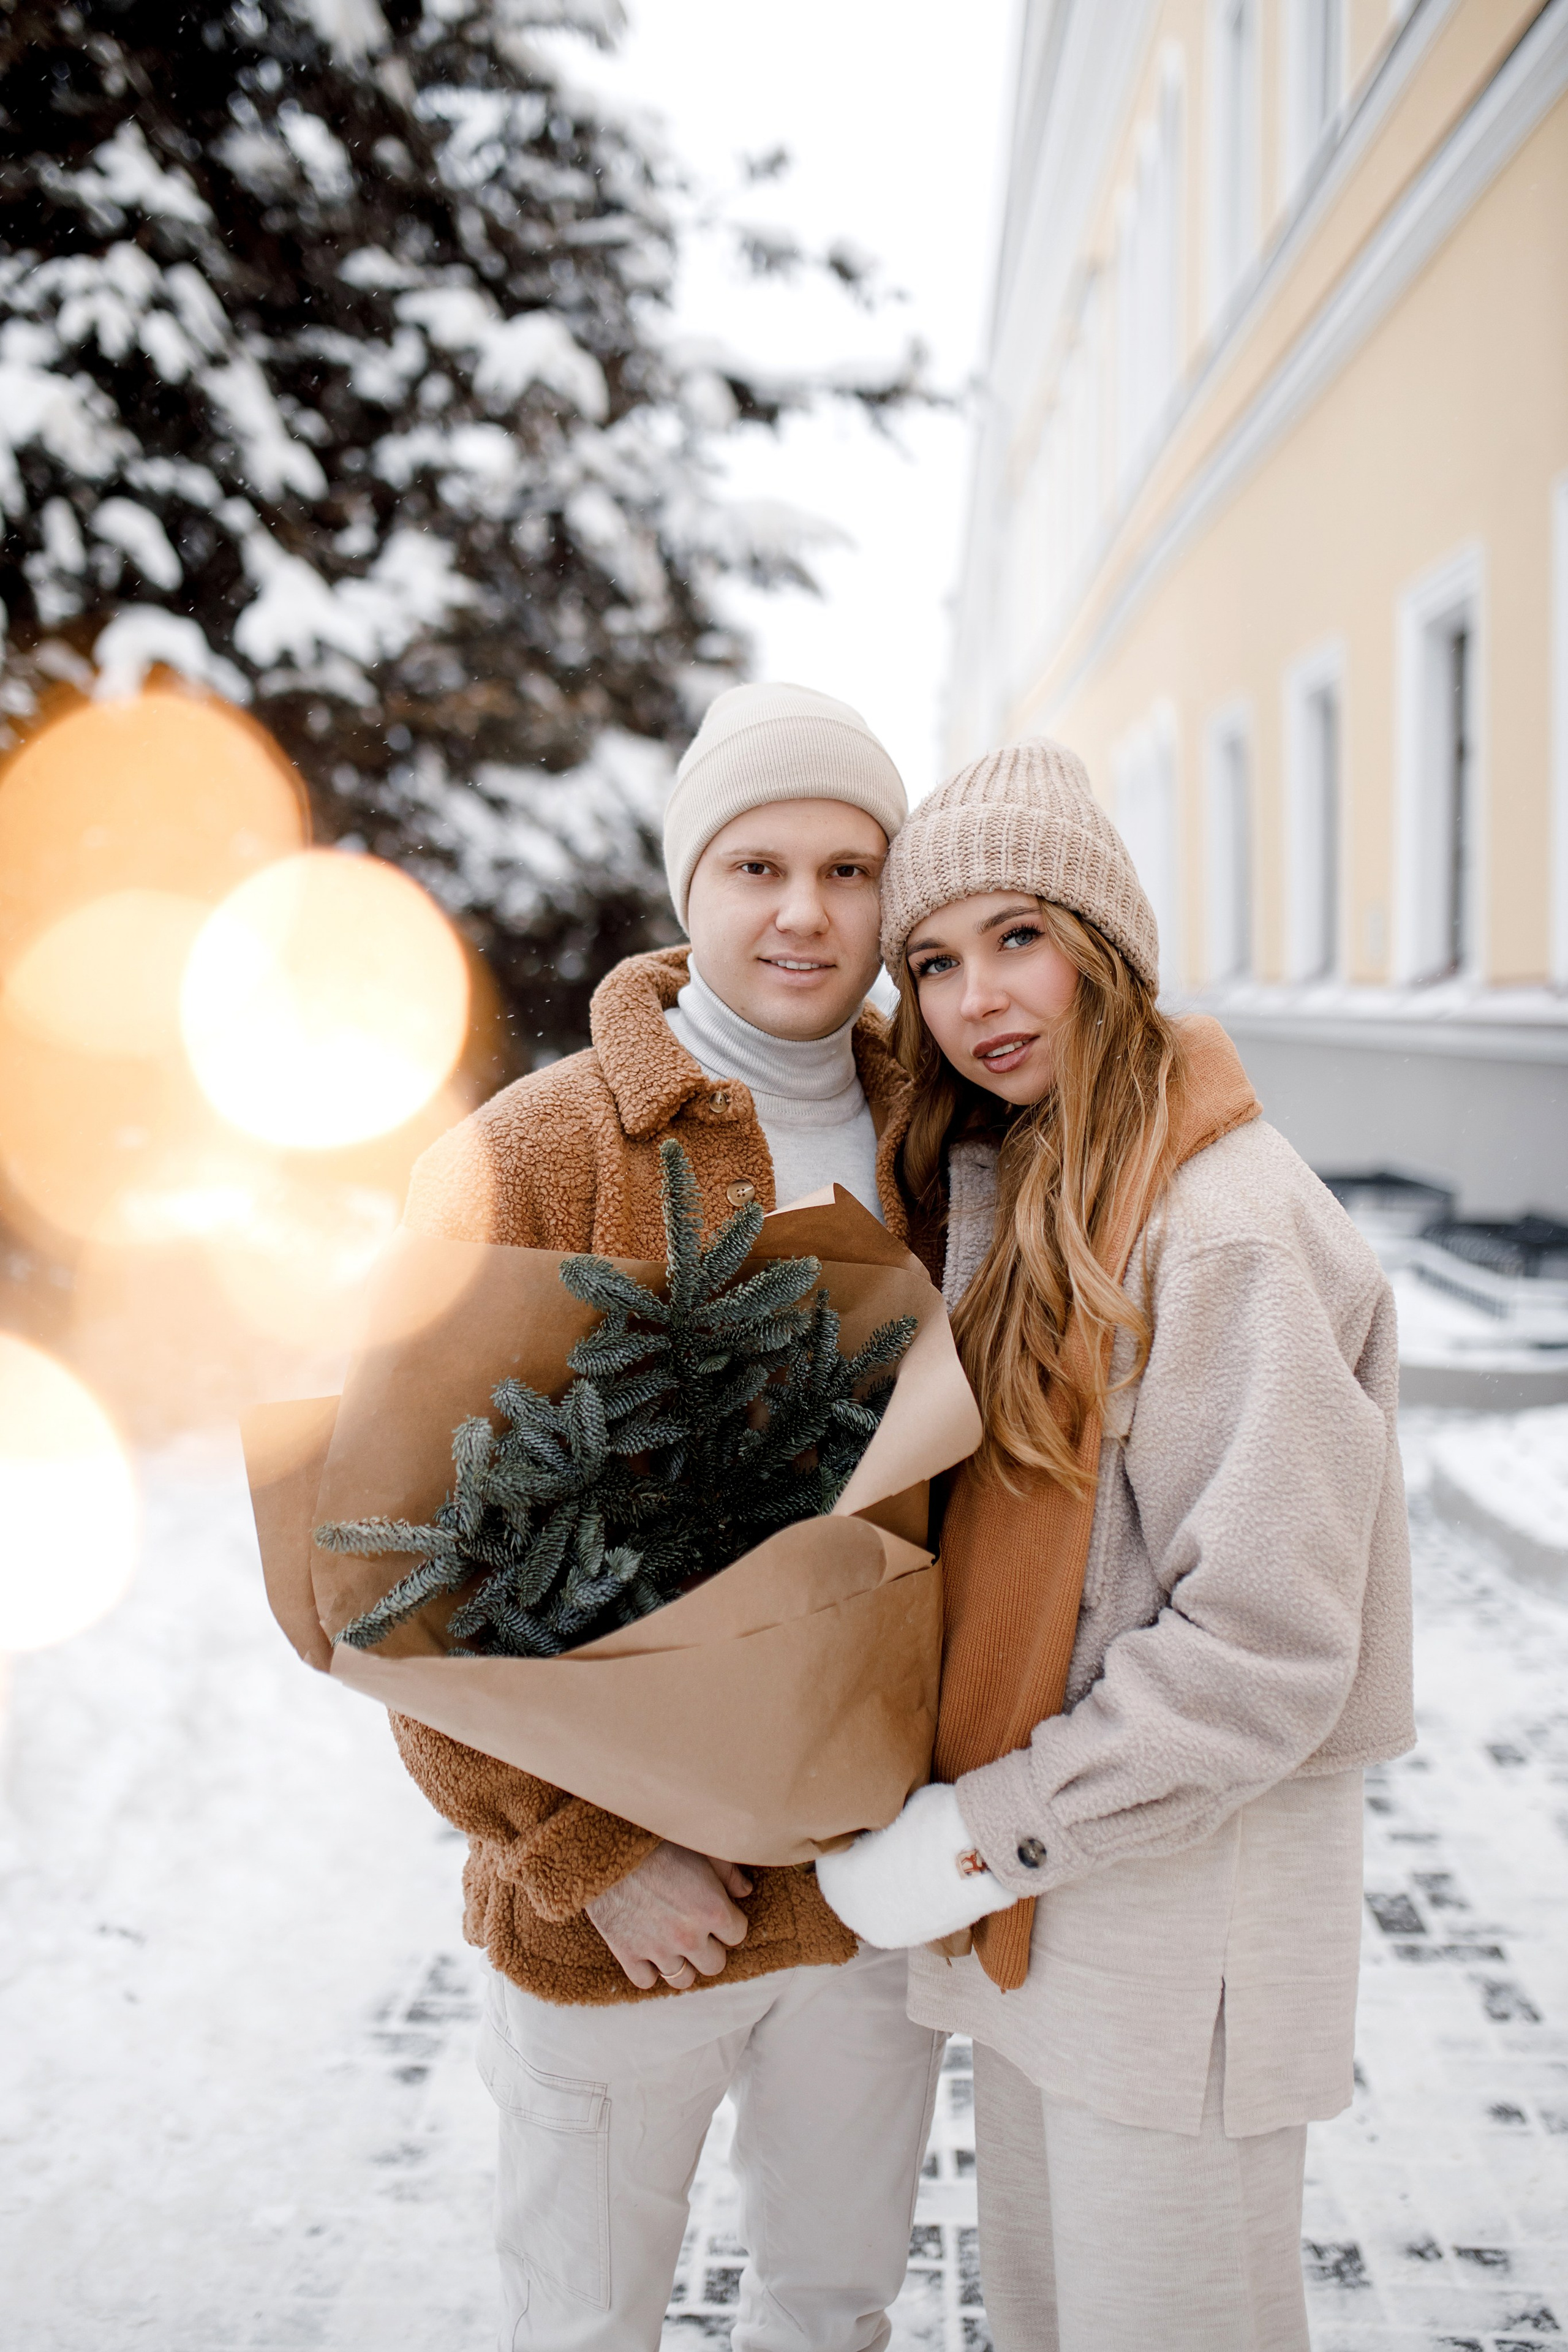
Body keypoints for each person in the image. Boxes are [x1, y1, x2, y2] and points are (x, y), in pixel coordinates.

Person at [818, 738, 1415, 2352]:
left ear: (1106, 946)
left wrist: (981, 1835)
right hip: (1066, 1913)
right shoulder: (1038, 1194)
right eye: (935, 962)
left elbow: (1264, 1655)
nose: (977, 999)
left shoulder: (1225, 1229)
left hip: (1181, 1923)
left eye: (1020, 936)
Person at [391, 682, 944, 2352]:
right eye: (757, 866)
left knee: (831, 2307)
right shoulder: (537, 1154)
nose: (805, 914)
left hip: (863, 1894)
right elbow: (399, 1559)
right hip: (620, 1922)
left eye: (850, 870)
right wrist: (591, 1853)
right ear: (688, 882)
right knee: (586, 2319)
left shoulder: (949, 1145)